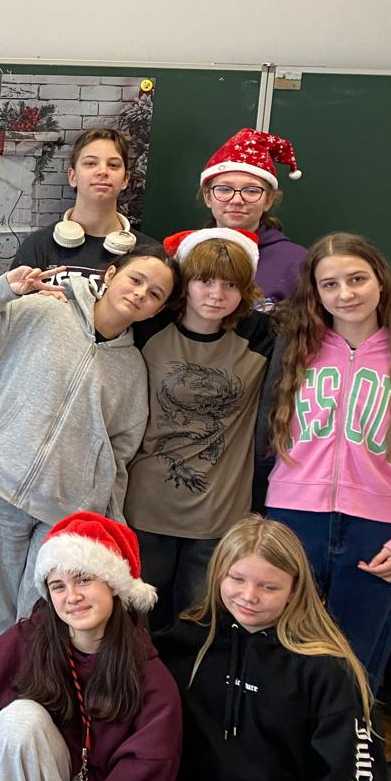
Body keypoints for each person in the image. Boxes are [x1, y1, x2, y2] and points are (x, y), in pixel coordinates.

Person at [0, 248, 178, 649]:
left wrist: (107, 519)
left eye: (155, 293)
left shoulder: (133, 370)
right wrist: (3, 289)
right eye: (136, 280)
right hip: (0, 490)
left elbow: (120, 455)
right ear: (111, 274)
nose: (141, 294)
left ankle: (32, 691)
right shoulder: (43, 311)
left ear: (159, 309)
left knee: (38, 624)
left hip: (66, 513)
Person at [260, 232, 391, 688]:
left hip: (375, 533)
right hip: (292, 521)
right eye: (330, 284)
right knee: (281, 657)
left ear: (380, 280)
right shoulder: (295, 349)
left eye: (357, 279)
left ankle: (353, 737)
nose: (345, 294)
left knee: (355, 667)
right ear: (316, 293)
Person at [0, 512, 180, 781]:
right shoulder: (22, 643)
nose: (71, 596)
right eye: (58, 586)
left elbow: (147, 775)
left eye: (84, 579)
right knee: (17, 723)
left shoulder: (150, 675)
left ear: (114, 585)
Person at [161, 514, 388, 781]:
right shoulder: (190, 639)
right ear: (218, 574)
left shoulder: (328, 669)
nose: (249, 596)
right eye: (237, 578)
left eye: (269, 587)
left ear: (294, 589)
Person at [124, 228, 271, 634]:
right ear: (185, 283)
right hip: (146, 510)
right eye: (205, 281)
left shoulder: (261, 336)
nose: (216, 294)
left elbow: (338, 324)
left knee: (200, 629)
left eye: (230, 285)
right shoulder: (148, 327)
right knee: (137, 628)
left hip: (219, 518)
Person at [11, 127, 148, 286]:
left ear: (125, 179)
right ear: (73, 176)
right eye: (90, 163)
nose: (103, 171)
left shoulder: (148, 254)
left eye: (113, 165)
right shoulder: (38, 245)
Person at [196, 128, 307, 308]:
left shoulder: (297, 261)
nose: (237, 200)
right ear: (208, 197)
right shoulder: (186, 254)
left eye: (251, 191)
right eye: (224, 189)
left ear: (268, 200)